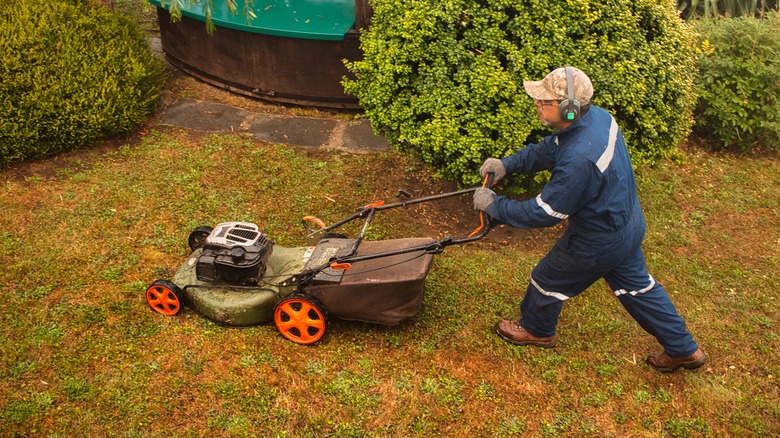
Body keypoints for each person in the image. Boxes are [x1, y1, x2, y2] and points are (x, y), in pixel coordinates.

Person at [473, 66, 707, 373]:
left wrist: (495, 206)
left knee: (546, 280)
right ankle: (684, 349)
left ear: (568, 109)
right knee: (637, 288)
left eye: (544, 101)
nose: (536, 104)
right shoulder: (598, 118)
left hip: (596, 239)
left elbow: (544, 212)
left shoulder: (580, 159)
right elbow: (550, 149)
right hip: (627, 225)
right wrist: (508, 164)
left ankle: (537, 330)